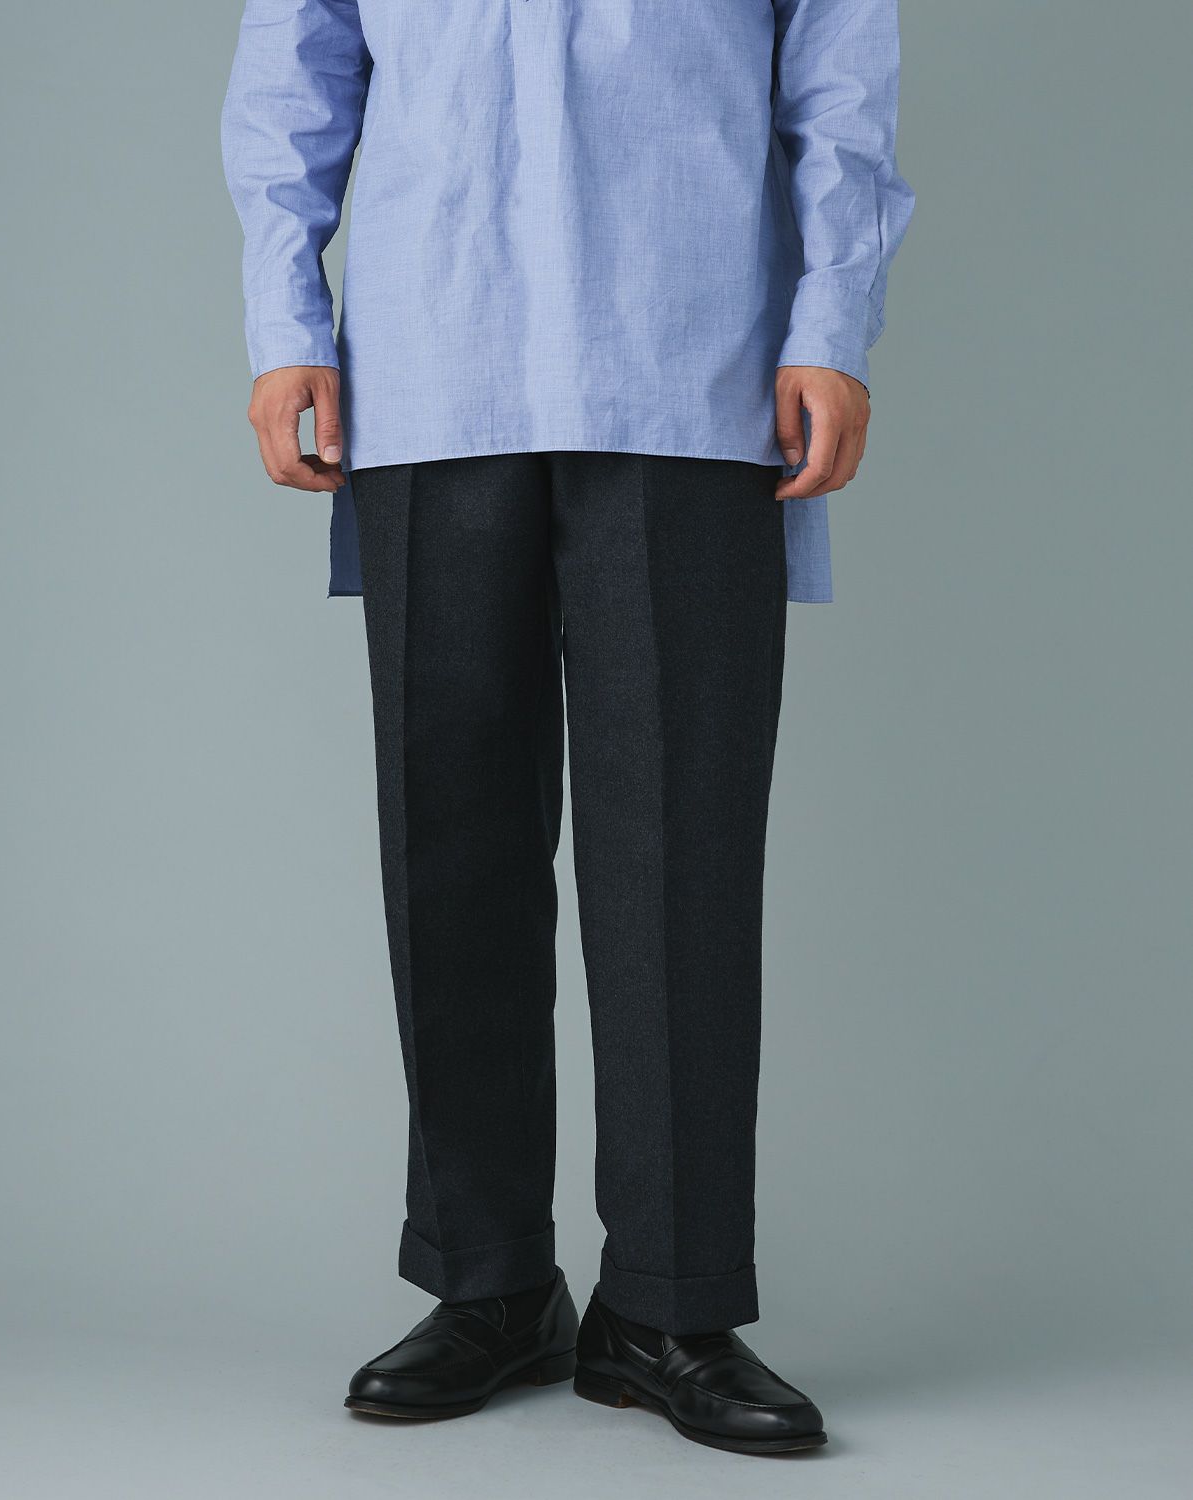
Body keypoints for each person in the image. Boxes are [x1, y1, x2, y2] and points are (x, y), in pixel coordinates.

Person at [222, 0, 913, 1457]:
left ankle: (668, 1304)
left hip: (692, 356)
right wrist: (284, 322)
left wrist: (832, 326)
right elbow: (294, 75)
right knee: (450, 843)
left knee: (680, 857)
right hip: (431, 357)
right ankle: (487, 1281)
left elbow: (839, 76)